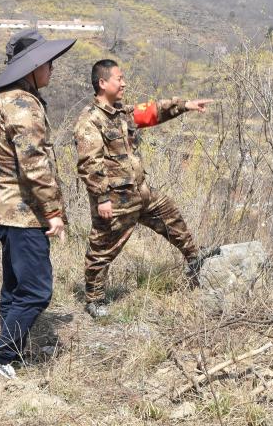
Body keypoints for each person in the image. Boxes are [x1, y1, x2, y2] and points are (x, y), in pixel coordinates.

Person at [74, 59, 214, 318]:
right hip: (115, 201)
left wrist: (185, 105)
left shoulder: (121, 114)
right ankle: (94, 299)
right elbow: (89, 164)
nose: (124, 82)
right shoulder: (91, 121)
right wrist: (102, 198)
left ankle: (195, 259)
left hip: (141, 194)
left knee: (171, 215)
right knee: (102, 249)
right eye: (119, 78)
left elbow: (152, 111)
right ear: (103, 83)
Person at [0, 29, 74, 379]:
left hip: (4, 211)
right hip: (23, 214)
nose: (52, 69)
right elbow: (34, 163)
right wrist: (53, 211)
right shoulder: (23, 105)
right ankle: (2, 357)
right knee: (37, 290)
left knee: (14, 288)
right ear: (32, 67)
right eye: (47, 63)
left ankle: (12, 355)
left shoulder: (5, 100)